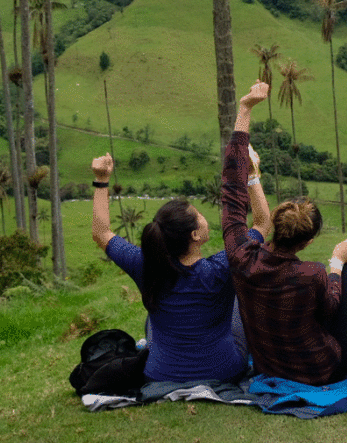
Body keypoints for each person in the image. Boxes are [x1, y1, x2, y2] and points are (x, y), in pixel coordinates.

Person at [221, 80, 347, 385]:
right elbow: (330, 308)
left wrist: (245, 111)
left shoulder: (243, 257)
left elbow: (231, 196)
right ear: (308, 241)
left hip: (269, 366)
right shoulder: (311, 273)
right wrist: (335, 266)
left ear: (275, 226)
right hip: (319, 369)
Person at [89, 149, 270, 383]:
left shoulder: (144, 264)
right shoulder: (222, 267)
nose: (203, 216)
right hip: (224, 371)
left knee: (153, 321)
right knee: (237, 302)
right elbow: (263, 224)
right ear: (195, 234)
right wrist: (253, 174)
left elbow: (101, 233)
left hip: (161, 373)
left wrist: (101, 179)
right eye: (199, 215)